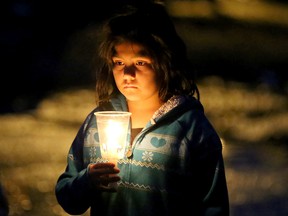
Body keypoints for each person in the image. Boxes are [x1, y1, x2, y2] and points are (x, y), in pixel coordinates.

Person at [55, 1, 230, 215]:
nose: (128, 74)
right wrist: (87, 180)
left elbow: (214, 207)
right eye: (119, 63)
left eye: (140, 63)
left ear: (165, 63)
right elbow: (68, 197)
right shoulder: (96, 124)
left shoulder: (191, 129)